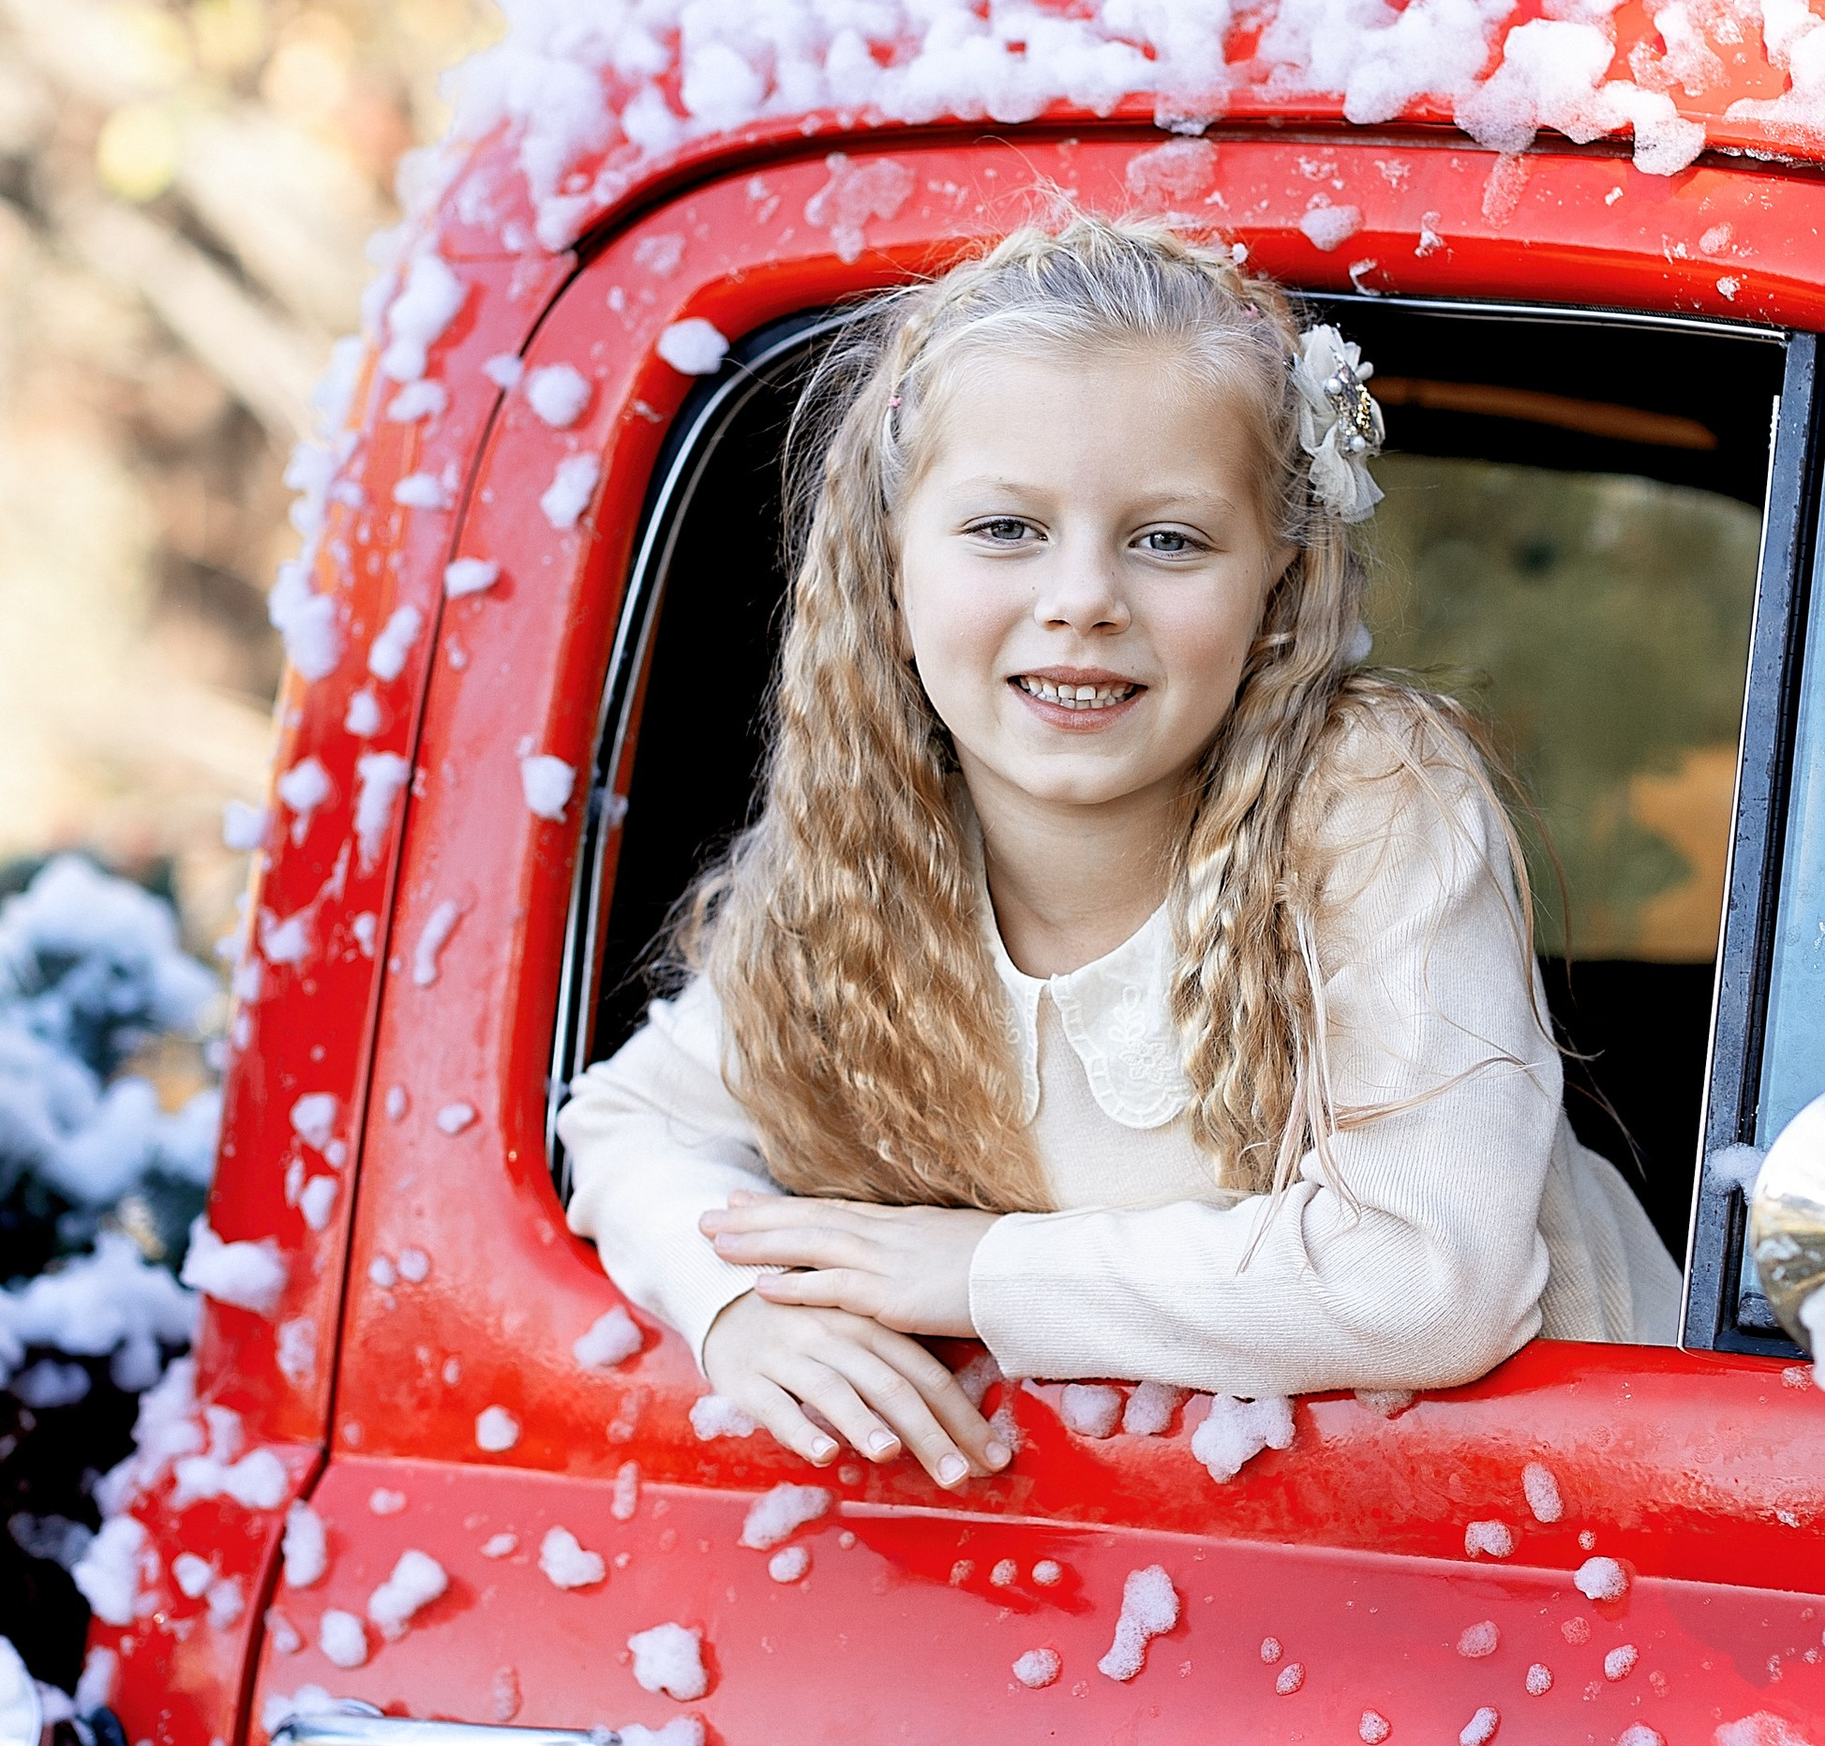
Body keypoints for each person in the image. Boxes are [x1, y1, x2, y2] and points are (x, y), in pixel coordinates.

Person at [557, 214, 1679, 1487]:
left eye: (1168, 541)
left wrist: (975, 1275)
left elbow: (1429, 1279)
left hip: (1589, 1539)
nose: (1083, 596)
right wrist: (734, 1306)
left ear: (1280, 579)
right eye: (1003, 530)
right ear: (889, 564)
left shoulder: (1368, 798)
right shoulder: (865, 859)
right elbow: (624, 1121)